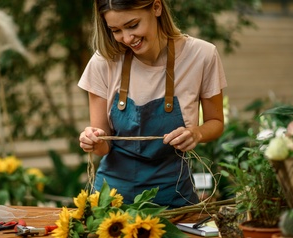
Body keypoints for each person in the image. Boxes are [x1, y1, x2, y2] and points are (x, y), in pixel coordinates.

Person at [78, 0, 227, 208]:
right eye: (116, 30)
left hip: (174, 198)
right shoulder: (103, 62)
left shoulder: (202, 56)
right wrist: (94, 140)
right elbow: (103, 145)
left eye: (132, 25)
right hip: (111, 201)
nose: (127, 38)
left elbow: (216, 122)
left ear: (156, 7)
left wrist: (197, 133)